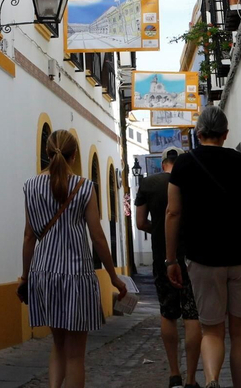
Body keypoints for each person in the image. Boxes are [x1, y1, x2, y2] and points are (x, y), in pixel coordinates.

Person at [165, 107, 241, 388]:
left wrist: (171, 260)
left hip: (202, 257)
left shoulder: (184, 164)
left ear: (198, 134)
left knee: (211, 331)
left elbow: (173, 213)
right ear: (225, 134)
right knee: (240, 332)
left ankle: (212, 379)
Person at [19, 128, 129, 388]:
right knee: (75, 355)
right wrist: (114, 277)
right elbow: (98, 237)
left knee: (58, 346)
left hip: (44, 273)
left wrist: (25, 276)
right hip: (76, 275)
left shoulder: (30, 186)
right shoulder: (84, 187)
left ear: (47, 153)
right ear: (74, 155)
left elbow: (29, 236)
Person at [134, 147, 199, 386]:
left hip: (163, 257)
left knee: (168, 313)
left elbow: (140, 222)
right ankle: (191, 378)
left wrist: (160, 230)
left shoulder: (148, 184)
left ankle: (174, 374)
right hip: (192, 257)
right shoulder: (192, 182)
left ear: (163, 164)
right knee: (192, 314)